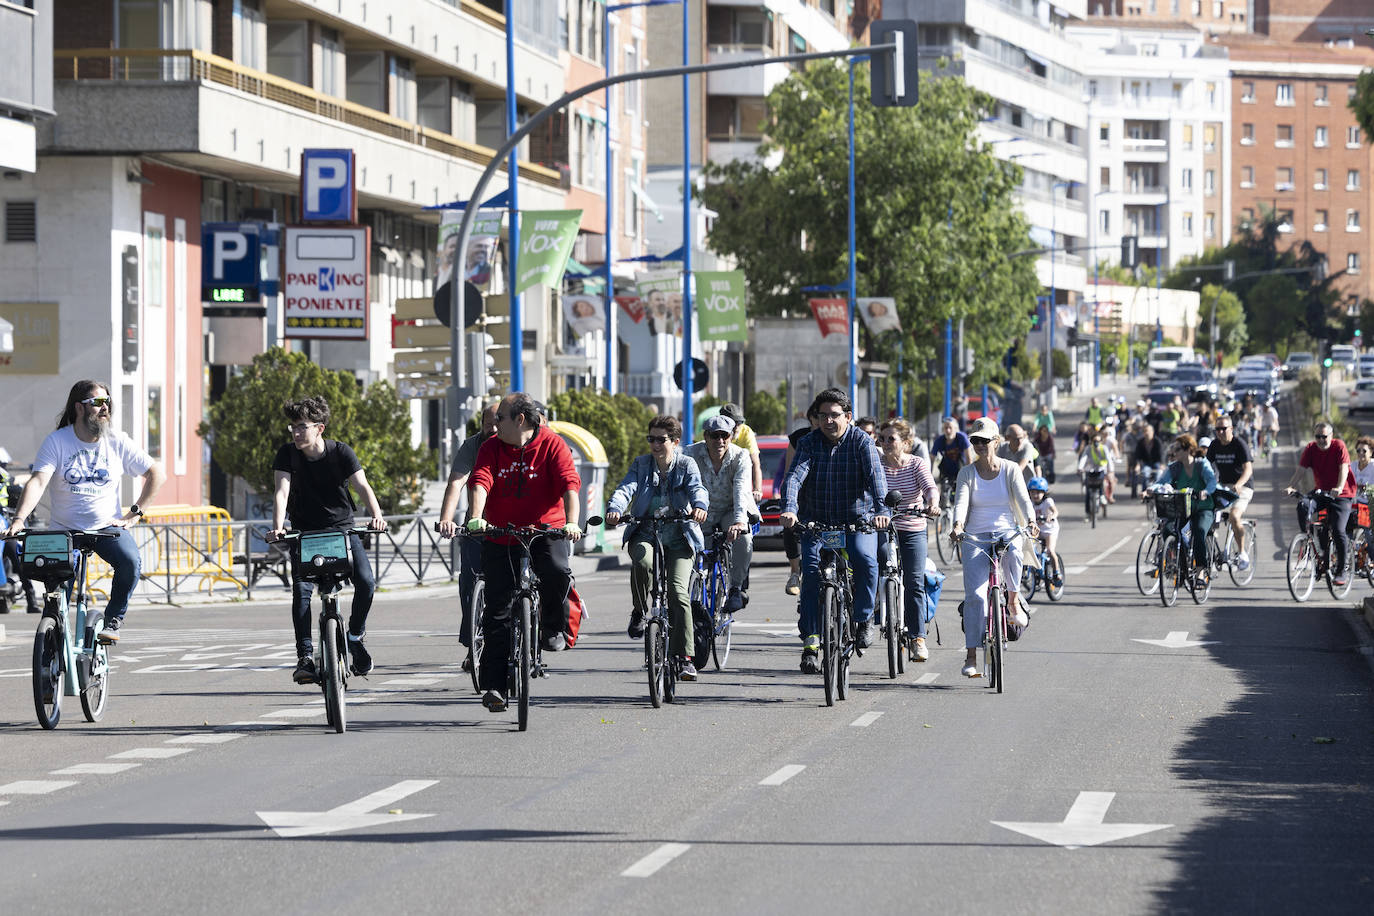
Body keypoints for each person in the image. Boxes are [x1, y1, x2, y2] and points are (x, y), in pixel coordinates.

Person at [5, 381, 165, 641]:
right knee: (55, 599)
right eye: (98, 403)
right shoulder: (58, 441)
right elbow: (38, 482)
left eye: (108, 402)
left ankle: (112, 621)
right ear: (79, 408)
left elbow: (156, 473)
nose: (105, 408)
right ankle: (53, 644)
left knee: (130, 562)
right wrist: (19, 519)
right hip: (65, 532)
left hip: (106, 528)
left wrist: (135, 513)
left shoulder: (117, 441)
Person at [467, 392, 583, 712]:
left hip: (545, 531)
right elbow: (481, 480)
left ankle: (551, 626)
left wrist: (572, 523)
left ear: (519, 420)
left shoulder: (552, 444)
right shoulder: (491, 447)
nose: (494, 425)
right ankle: (494, 686)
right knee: (497, 612)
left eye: (499, 419)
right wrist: (477, 518)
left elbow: (569, 485)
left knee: (557, 574)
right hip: (501, 533)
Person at [268, 396, 388, 682]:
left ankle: (355, 636)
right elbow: (281, 492)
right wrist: (278, 527)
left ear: (319, 428)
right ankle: (305, 657)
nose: (296, 433)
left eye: (302, 427)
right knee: (301, 591)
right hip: (305, 533)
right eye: (292, 427)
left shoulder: (341, 453)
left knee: (367, 582)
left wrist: (377, 516)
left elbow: (362, 486)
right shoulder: (287, 454)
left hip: (342, 530)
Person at [781, 388, 890, 673]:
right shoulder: (808, 443)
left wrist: (881, 511)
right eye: (822, 416)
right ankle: (811, 643)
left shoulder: (861, 442)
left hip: (857, 521)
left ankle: (864, 618)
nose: (828, 421)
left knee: (866, 561)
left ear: (848, 417)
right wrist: (790, 507)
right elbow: (794, 477)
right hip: (816, 522)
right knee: (811, 577)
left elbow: (877, 479)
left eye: (834, 415)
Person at [605, 415, 709, 681]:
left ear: (675, 441)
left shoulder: (686, 464)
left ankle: (685, 658)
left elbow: (698, 488)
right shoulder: (641, 464)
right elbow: (625, 488)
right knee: (642, 562)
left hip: (679, 538)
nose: (654, 444)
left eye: (661, 440)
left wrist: (699, 507)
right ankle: (639, 610)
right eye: (651, 439)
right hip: (646, 532)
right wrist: (616, 508)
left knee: (677, 592)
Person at [950, 418, 1035, 678]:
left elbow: (1023, 498)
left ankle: (1012, 602)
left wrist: (1031, 520)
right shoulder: (967, 472)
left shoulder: (1010, 469)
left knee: (1015, 550)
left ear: (996, 442)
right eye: (975, 440)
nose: (979, 445)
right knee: (975, 596)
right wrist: (957, 525)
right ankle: (971, 655)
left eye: (985, 440)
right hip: (975, 535)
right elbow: (961, 502)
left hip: (1006, 530)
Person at [435, 401, 500, 672]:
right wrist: (446, 519)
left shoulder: (517, 444)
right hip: (477, 525)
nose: (494, 429)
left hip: (511, 525)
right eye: (488, 424)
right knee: (469, 583)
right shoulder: (474, 445)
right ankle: (474, 645)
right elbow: (456, 482)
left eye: (499, 423)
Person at [877, 418, 939, 661]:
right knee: (874, 569)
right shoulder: (877, 464)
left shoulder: (916, 464)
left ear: (905, 443)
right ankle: (877, 611)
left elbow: (930, 488)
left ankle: (918, 637)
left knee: (914, 581)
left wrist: (933, 504)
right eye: (882, 439)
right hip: (883, 527)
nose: (885, 443)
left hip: (912, 526)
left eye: (891, 439)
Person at [685, 414, 752, 613]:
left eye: (725, 436)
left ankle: (735, 589)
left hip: (730, 510)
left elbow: (741, 490)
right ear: (705, 437)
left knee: (744, 539)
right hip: (700, 511)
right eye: (715, 436)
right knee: (685, 541)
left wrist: (740, 521)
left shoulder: (740, 456)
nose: (720, 441)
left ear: (731, 437)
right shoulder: (690, 454)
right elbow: (683, 486)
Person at [1285, 421, 1355, 586]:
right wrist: (1291, 486)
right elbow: (1301, 470)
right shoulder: (1310, 448)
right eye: (1318, 437)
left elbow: (1344, 468)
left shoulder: (1339, 446)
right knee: (1303, 505)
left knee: (1338, 530)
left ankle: (1341, 570)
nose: (1321, 440)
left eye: (1324, 437)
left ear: (1331, 436)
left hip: (1342, 494)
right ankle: (1306, 539)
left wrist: (1338, 487)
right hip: (1322, 492)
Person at [1154, 434, 1219, 587]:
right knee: (1169, 530)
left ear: (1188, 449)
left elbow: (1211, 481)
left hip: (1203, 507)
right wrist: (1150, 490)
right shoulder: (1175, 467)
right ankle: (1181, 568)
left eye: (1177, 449)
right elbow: (1161, 482)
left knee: (1199, 530)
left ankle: (1201, 570)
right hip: (1183, 507)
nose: (1174, 452)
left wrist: (1205, 492)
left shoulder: (1201, 464)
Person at [781, 404, 821, 595]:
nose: (821, 423)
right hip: (802, 492)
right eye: (818, 417)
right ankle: (795, 571)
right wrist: (790, 502)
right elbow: (791, 473)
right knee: (790, 525)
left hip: (827, 495)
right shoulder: (800, 439)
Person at [1205, 415, 1254, 570]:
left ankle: (1242, 552)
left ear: (1231, 429)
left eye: (1223, 429)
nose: (1220, 432)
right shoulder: (1214, 445)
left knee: (1234, 516)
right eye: (1217, 429)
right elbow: (1206, 467)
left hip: (1243, 487)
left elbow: (1248, 470)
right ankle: (1211, 552)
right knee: (1204, 514)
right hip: (1223, 487)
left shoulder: (1239, 444)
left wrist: (1238, 484)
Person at [720, 403, 764, 506]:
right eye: (732, 423)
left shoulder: (746, 432)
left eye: (740, 422)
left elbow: (755, 463)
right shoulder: (712, 431)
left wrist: (757, 490)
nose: (736, 427)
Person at [1026, 476, 1060, 584]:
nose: (1035, 495)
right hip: (1037, 531)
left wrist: (1051, 516)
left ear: (1044, 492)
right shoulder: (1028, 503)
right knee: (1028, 548)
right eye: (1033, 492)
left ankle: (1056, 572)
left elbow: (1055, 511)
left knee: (1050, 551)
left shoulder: (1048, 501)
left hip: (1050, 530)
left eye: (1038, 492)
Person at [1077, 426, 1117, 505]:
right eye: (1095, 441)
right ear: (1091, 441)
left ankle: (1102, 495)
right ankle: (1088, 512)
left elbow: (1109, 459)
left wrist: (1111, 470)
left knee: (1102, 481)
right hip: (1090, 469)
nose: (1096, 443)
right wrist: (1080, 468)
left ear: (1101, 441)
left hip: (1101, 469)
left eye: (1098, 441)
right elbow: (1083, 458)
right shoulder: (1088, 448)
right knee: (1088, 488)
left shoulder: (1104, 448)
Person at [932, 416, 974, 486]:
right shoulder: (939, 440)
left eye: (950, 428)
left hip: (961, 469)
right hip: (946, 472)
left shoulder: (962, 438)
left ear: (955, 429)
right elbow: (931, 458)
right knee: (944, 493)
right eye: (946, 428)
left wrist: (969, 476)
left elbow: (969, 458)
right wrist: (929, 477)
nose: (948, 431)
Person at [1132, 422, 1166, 489]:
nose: (1147, 433)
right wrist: (1137, 465)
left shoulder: (1157, 442)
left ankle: (1157, 491)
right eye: (1145, 431)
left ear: (1152, 432)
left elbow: (1162, 454)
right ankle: (1144, 492)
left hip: (1156, 462)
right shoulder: (1140, 442)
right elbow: (1137, 455)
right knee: (1145, 474)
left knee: (1158, 475)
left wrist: (1162, 464)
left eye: (1148, 431)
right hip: (1146, 462)